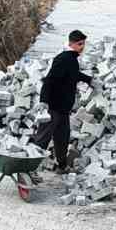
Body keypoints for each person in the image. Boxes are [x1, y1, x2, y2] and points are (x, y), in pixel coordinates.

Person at [31, 29, 95, 172]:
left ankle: (62, 166)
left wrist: (89, 79)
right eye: (79, 44)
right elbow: (49, 80)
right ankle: (28, 167)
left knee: (62, 139)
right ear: (71, 43)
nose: (82, 47)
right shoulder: (62, 58)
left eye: (83, 44)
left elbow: (73, 74)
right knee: (42, 138)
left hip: (64, 110)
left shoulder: (72, 59)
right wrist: (43, 101)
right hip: (53, 107)